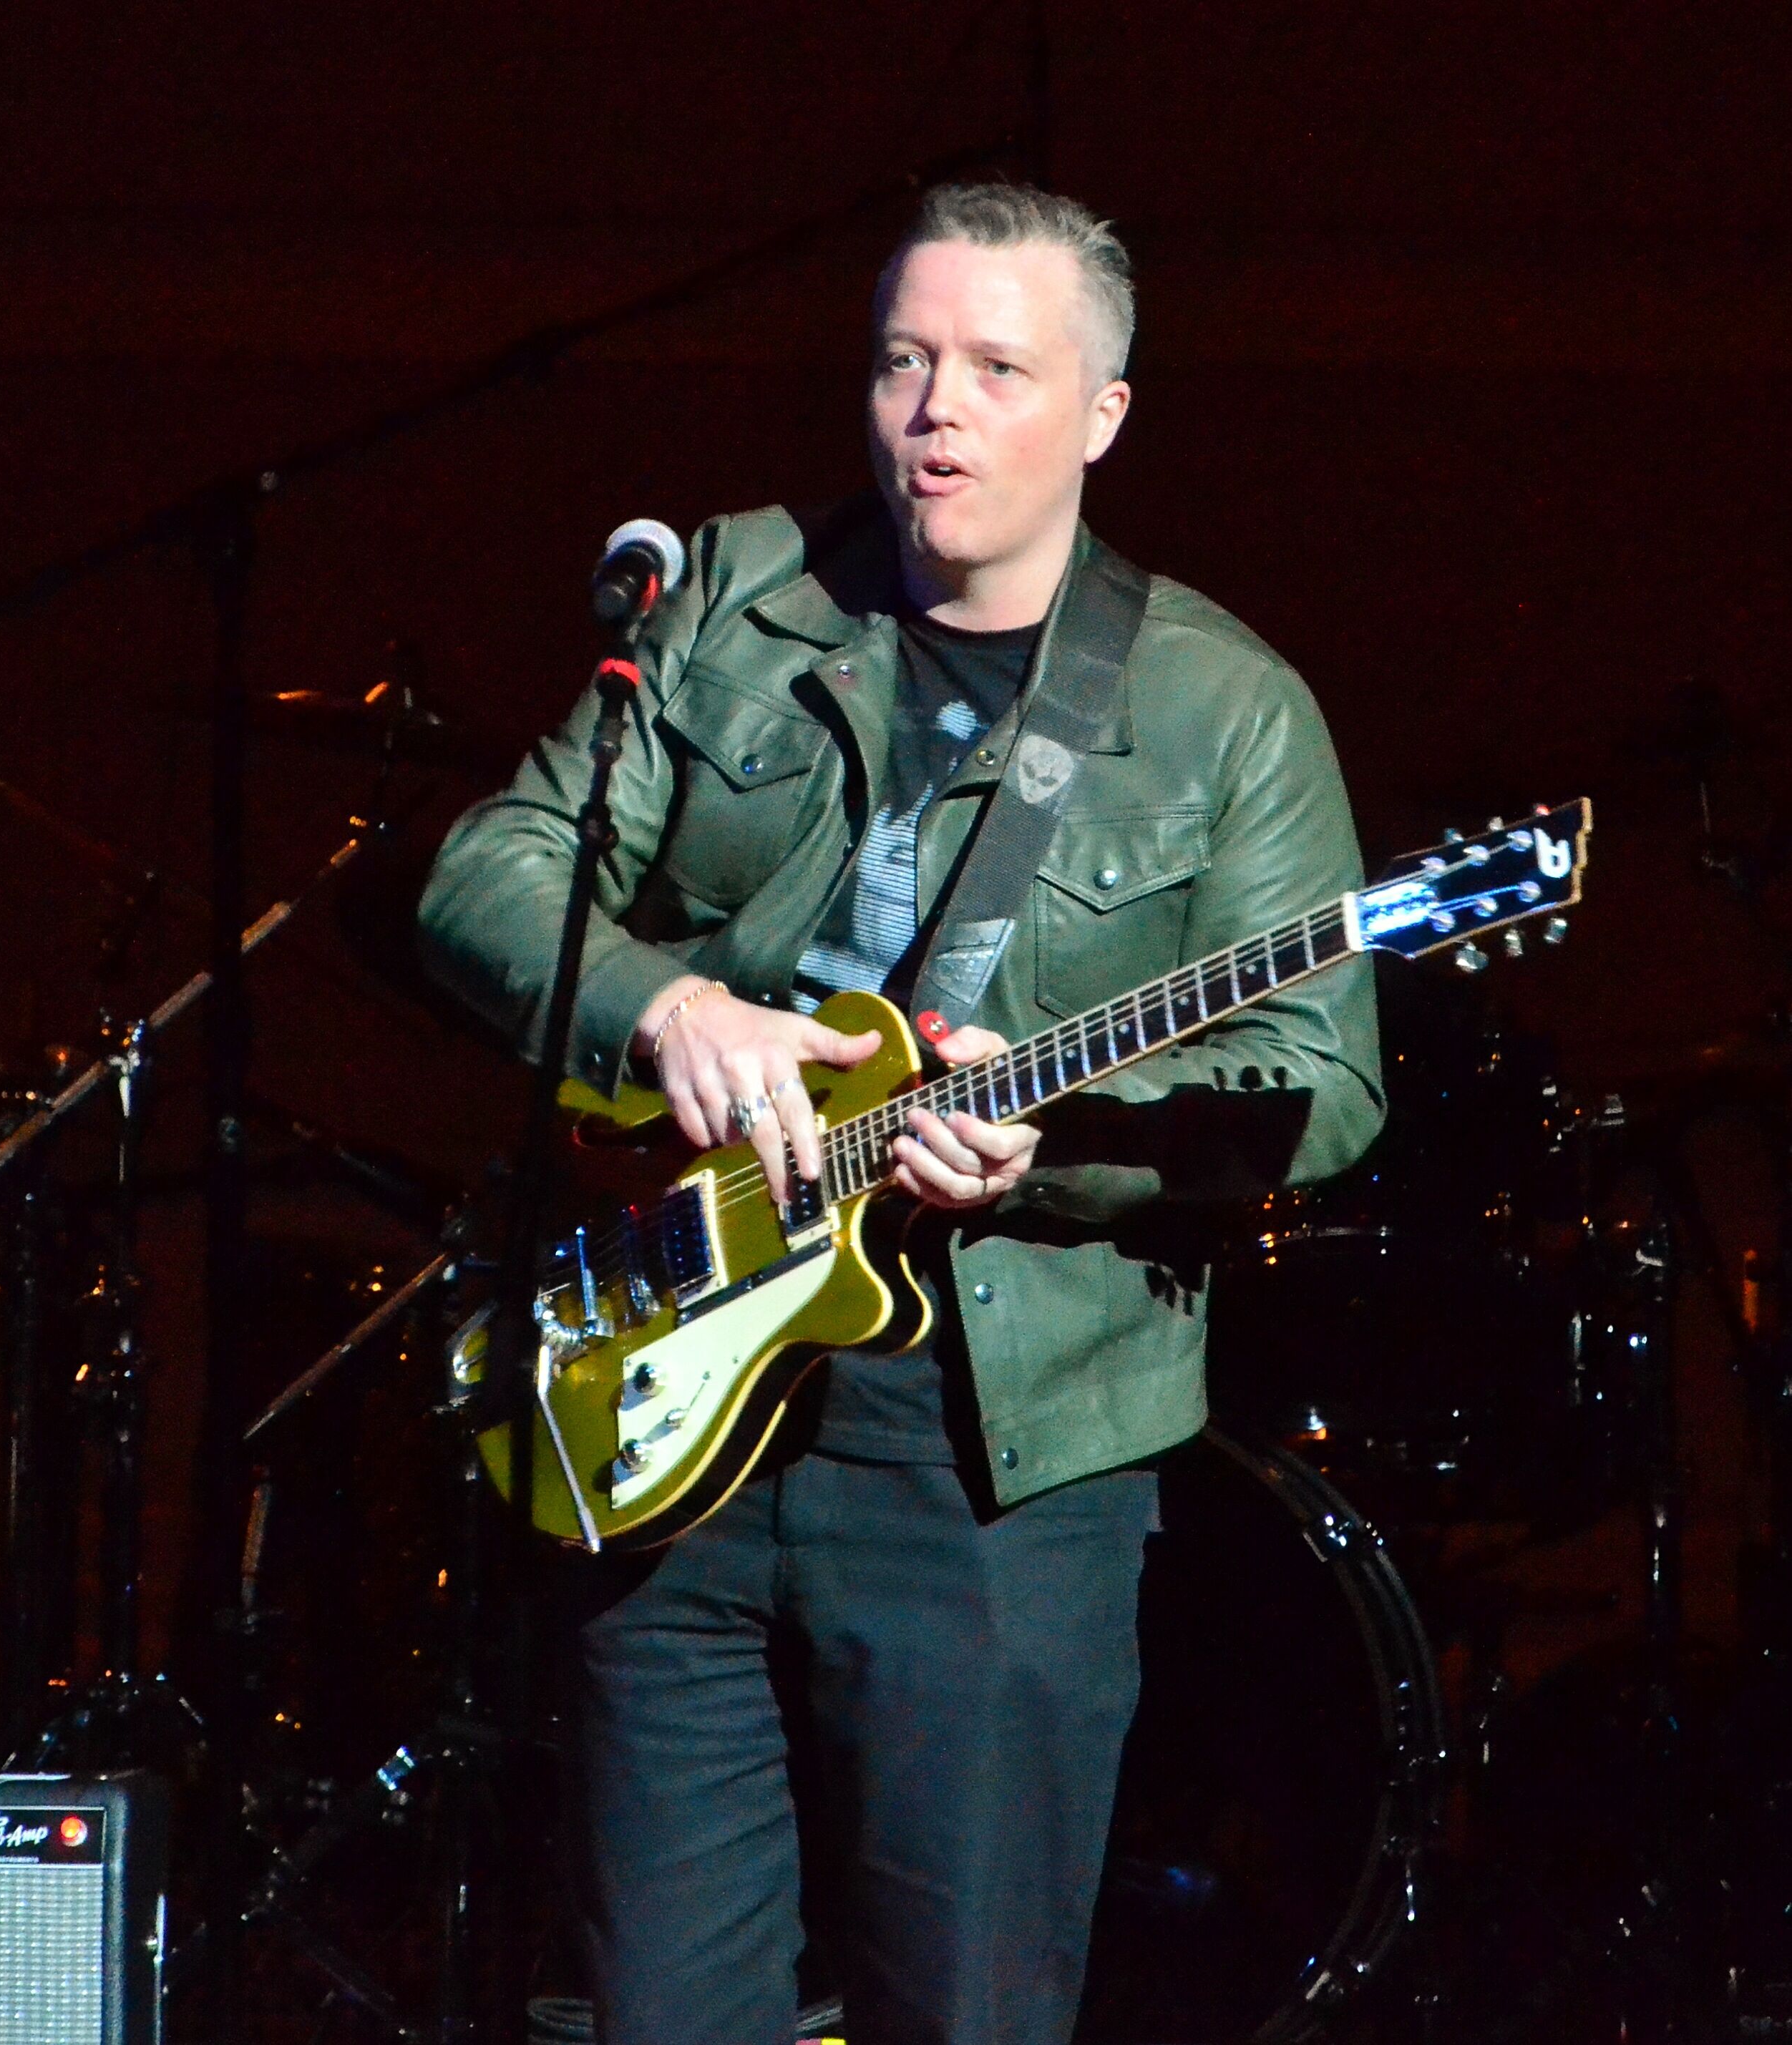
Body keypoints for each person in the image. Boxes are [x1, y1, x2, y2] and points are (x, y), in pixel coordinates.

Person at [417, 182, 1384, 2045]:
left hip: (984, 1460)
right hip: (677, 1419)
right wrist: (668, 1006)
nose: (933, 405)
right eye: (903, 357)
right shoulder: (731, 608)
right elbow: (487, 872)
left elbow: (1325, 1089)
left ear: (1102, 408)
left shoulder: (1222, 715)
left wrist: (1062, 1146)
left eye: (996, 368)